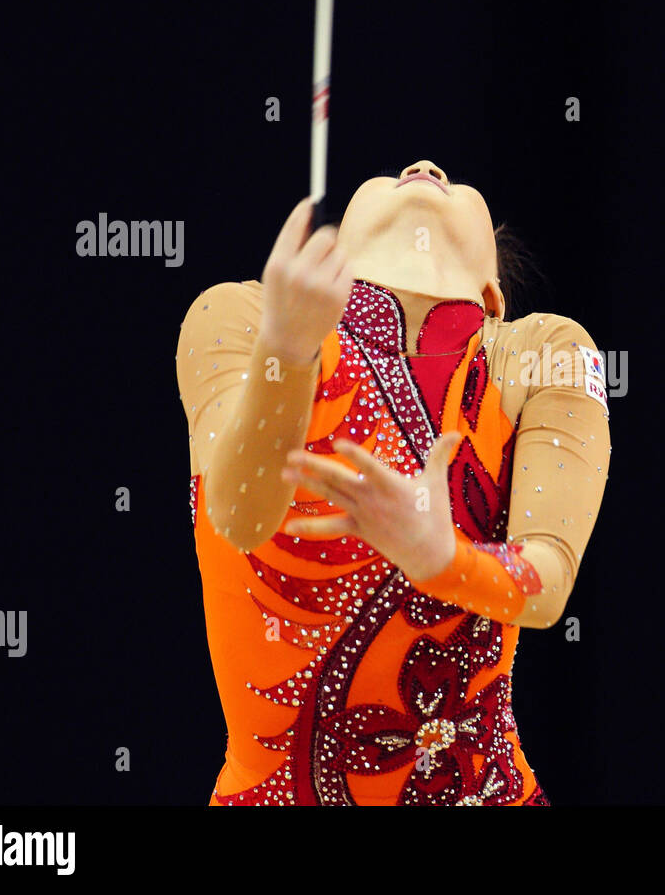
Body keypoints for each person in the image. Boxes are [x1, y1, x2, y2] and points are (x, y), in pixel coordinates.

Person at [175, 160, 610, 805]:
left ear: (493, 292)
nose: (424, 168)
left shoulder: (539, 354)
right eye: (388, 175)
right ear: (339, 253)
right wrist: (287, 352)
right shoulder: (241, 316)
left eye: (461, 185)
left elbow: (548, 580)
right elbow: (239, 516)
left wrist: (443, 558)